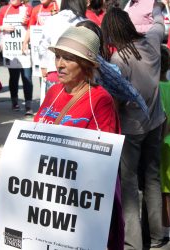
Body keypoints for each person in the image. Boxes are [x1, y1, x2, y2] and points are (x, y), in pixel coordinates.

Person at [34, 26, 124, 250]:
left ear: (86, 65)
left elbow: (104, 159)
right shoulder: (54, 92)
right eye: (58, 57)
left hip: (80, 209)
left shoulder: (100, 100)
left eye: (68, 59)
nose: (59, 64)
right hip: (51, 201)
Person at [101, 5, 165, 249]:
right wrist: (158, 7)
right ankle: (158, 235)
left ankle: (133, 243)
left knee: (129, 186)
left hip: (132, 129)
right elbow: (159, 23)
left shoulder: (120, 58)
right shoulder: (152, 41)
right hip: (157, 121)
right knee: (152, 179)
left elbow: (117, 100)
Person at [0, 0, 34, 115]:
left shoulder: (28, 8)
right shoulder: (4, 9)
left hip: (24, 48)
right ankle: (14, 101)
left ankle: (28, 104)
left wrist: (27, 22)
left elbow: (32, 26)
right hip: (11, 50)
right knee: (13, 77)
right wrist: (3, 28)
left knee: (27, 77)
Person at [38, 0, 87, 90]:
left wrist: (43, 66)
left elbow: (43, 45)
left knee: (54, 102)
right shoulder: (86, 22)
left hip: (54, 70)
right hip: (78, 73)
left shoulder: (52, 20)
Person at [159, 45, 170, 242]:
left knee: (157, 187)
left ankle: (162, 227)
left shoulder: (153, 89)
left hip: (159, 143)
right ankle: (167, 226)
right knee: (168, 188)